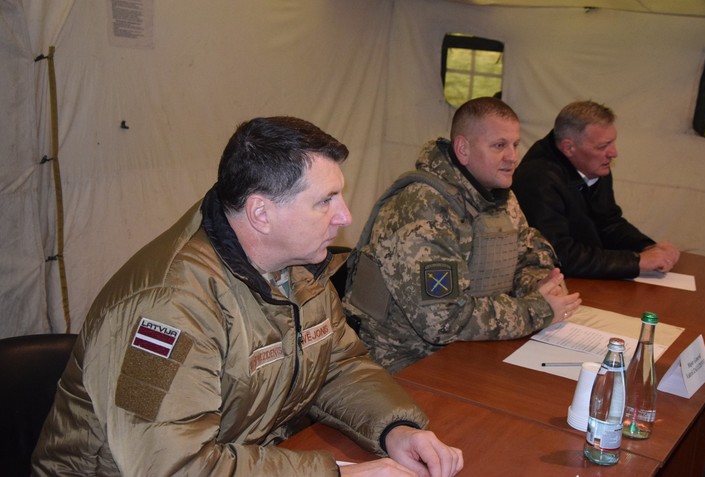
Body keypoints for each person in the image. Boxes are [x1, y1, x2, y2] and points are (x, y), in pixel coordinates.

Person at [32, 117, 463, 477]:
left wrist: (395, 428)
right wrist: (334, 473)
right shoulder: (168, 307)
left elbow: (338, 364)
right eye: (325, 201)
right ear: (261, 213)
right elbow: (172, 466)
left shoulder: (298, 269)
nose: (345, 216)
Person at [342, 97, 581, 374]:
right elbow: (443, 321)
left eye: (515, 144)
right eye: (499, 145)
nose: (512, 157)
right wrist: (537, 309)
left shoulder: (498, 197)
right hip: (400, 362)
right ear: (463, 149)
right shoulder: (423, 208)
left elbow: (527, 254)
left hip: (464, 350)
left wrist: (541, 287)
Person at [511, 100, 680, 279]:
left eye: (612, 142)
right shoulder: (538, 179)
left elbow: (609, 222)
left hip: (585, 275)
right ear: (569, 147)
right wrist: (636, 262)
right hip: (553, 281)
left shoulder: (593, 165)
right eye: (602, 146)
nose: (613, 153)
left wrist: (647, 247)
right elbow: (557, 254)